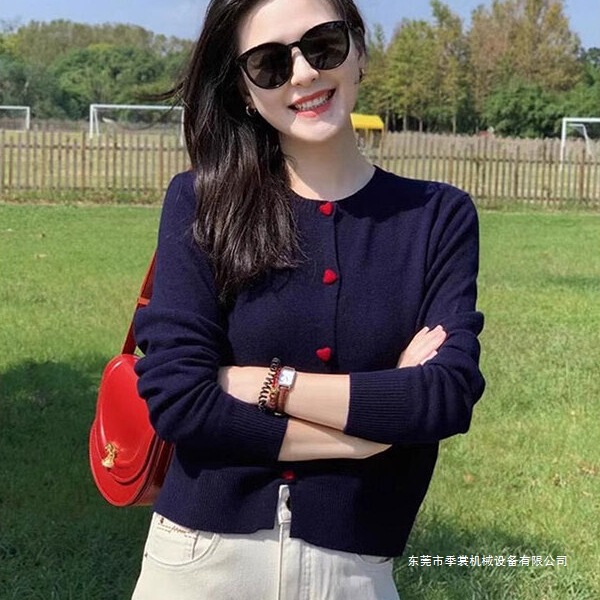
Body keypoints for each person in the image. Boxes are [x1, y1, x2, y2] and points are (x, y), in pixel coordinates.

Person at [130, 0, 485, 598]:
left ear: (359, 51)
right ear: (245, 91)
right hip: (198, 562)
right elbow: (178, 399)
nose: (303, 73)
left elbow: (444, 396)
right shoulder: (201, 202)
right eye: (269, 63)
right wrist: (369, 436)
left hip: (357, 572)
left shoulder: (438, 216)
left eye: (323, 45)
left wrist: (266, 385)